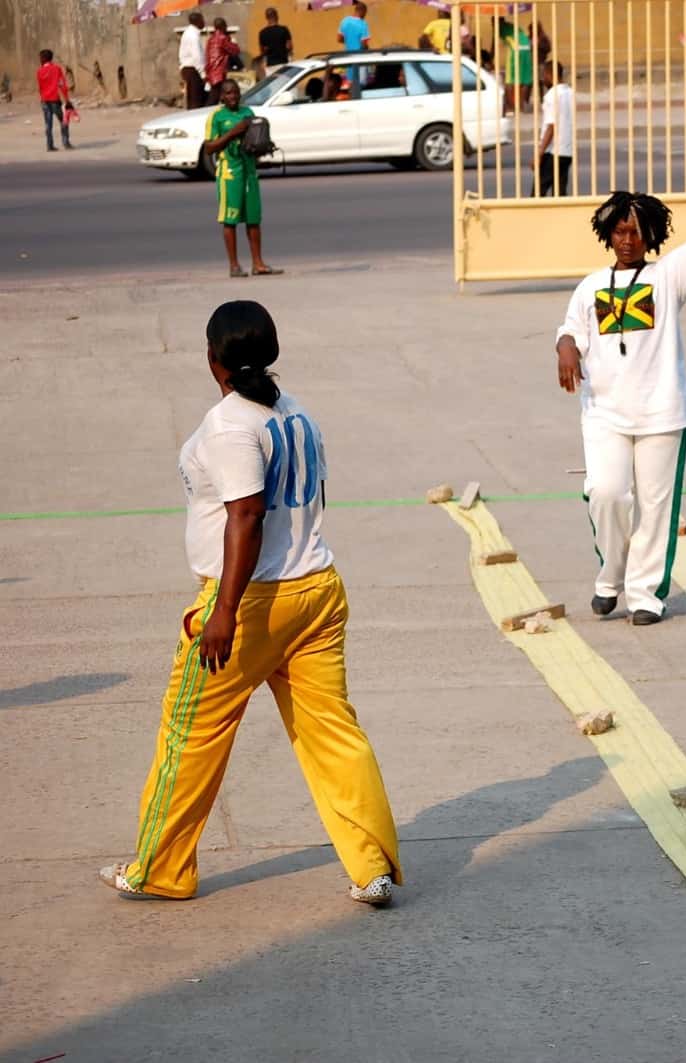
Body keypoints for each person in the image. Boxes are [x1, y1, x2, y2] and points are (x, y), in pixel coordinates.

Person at [98, 300, 403, 905]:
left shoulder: (230, 426)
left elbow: (245, 515)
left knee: (190, 734)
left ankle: (159, 869)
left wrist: (223, 612)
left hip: (253, 602)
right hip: (317, 590)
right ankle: (373, 867)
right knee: (332, 732)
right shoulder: (298, 414)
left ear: (212, 359)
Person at [555, 152, 686, 625]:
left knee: (655, 506)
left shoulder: (667, 277)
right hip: (605, 412)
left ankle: (644, 594)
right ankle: (612, 573)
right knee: (606, 492)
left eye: (636, 232)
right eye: (620, 231)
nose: (627, 240)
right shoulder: (589, 287)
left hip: (662, 413)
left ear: (650, 235)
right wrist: (565, 348)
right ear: (608, 234)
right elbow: (571, 331)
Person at [202, 80, 282, 279]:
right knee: (230, 221)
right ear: (221, 96)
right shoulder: (217, 117)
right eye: (228, 93)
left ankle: (258, 263)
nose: (233, 97)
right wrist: (233, 133)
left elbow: (254, 141)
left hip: (249, 173)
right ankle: (234, 265)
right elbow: (209, 148)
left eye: (236, 93)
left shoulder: (248, 113)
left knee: (253, 219)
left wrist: (263, 144)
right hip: (229, 174)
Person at [534, 61, 575, 197]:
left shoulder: (551, 95)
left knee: (538, 193)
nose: (542, 79)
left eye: (543, 75)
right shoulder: (570, 92)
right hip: (567, 151)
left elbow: (551, 127)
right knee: (560, 193)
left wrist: (539, 153)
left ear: (549, 74)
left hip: (553, 152)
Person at [37, 49, 72, 152]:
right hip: (54, 100)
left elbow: (40, 88)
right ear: (50, 58)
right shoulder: (56, 69)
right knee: (63, 121)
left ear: (43, 59)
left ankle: (49, 145)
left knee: (48, 124)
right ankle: (66, 143)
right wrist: (67, 100)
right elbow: (62, 84)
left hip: (44, 100)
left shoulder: (39, 71)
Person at [204, 17, 240, 106]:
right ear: (223, 26)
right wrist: (232, 41)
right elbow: (235, 50)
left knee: (220, 96)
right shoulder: (223, 38)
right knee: (214, 98)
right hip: (219, 72)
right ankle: (206, 115)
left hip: (211, 70)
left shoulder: (211, 39)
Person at [180, 11, 206, 111]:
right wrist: (203, 74)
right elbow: (197, 56)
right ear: (197, 21)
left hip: (188, 69)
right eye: (202, 20)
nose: (204, 22)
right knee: (196, 100)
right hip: (193, 70)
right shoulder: (193, 36)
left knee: (192, 99)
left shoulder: (189, 33)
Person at [258, 7, 293, 76]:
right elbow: (289, 46)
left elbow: (262, 51)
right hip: (283, 64)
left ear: (266, 17)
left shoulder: (262, 33)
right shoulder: (284, 30)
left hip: (270, 65)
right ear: (277, 16)